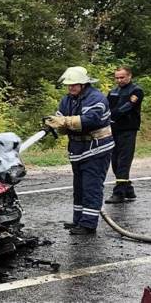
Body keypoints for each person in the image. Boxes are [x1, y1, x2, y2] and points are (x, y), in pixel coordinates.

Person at [45, 66, 114, 235]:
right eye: (69, 85)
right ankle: (79, 220)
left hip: (96, 148)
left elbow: (90, 120)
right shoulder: (67, 99)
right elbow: (60, 118)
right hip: (78, 149)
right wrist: (53, 123)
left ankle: (88, 224)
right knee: (79, 187)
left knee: (91, 186)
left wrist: (64, 122)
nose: (71, 88)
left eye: (74, 84)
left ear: (83, 84)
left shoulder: (96, 98)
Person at [105, 66, 144, 203]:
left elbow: (128, 106)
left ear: (129, 76)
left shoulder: (136, 91)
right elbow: (106, 107)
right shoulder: (113, 91)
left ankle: (119, 193)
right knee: (115, 161)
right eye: (117, 77)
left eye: (122, 77)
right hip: (114, 129)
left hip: (128, 129)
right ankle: (128, 189)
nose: (119, 80)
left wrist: (114, 115)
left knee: (123, 161)